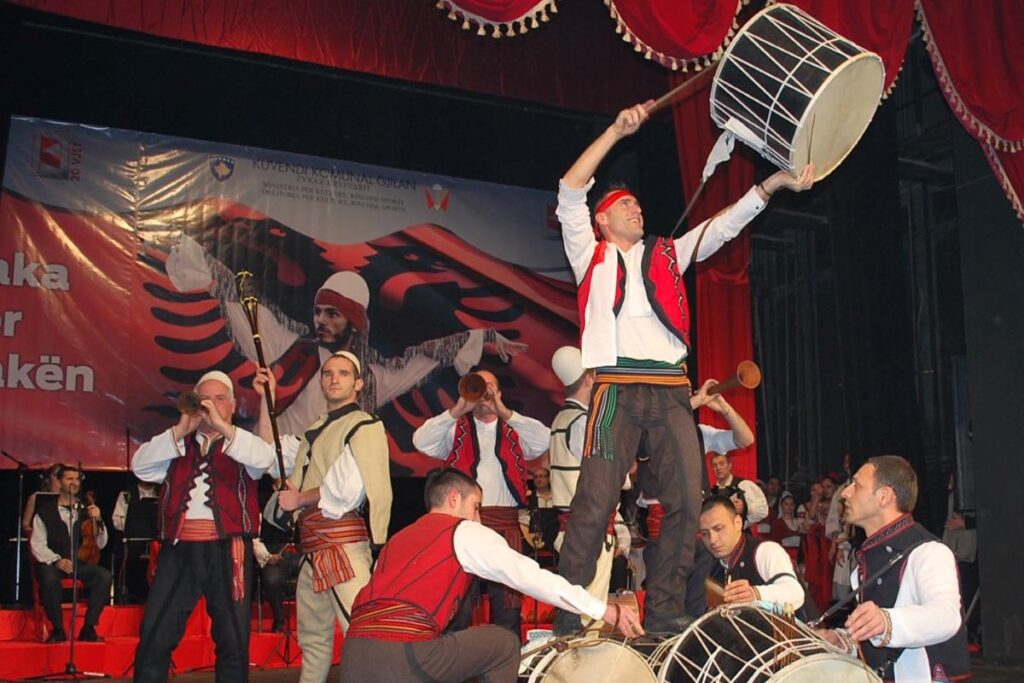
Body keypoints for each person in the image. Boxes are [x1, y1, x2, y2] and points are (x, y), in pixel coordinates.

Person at [552, 100, 813, 634]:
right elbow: (569, 189)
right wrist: (615, 129)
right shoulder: (590, 255)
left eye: (639, 206)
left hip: (671, 388)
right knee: (592, 503)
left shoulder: (668, 254)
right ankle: (569, 617)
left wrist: (772, 185)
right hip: (617, 390)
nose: (637, 211)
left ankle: (667, 609)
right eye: (626, 206)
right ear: (602, 220)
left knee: (684, 504)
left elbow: (722, 227)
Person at [165, 240, 525, 432]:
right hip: (290, 474)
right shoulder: (290, 348)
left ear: (353, 323)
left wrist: (486, 334)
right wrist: (206, 268)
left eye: (333, 314)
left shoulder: (370, 378)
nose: (320, 320)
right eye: (318, 311)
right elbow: (245, 306)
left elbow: (423, 358)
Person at [339, 468, 643, 683]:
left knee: (451, 641)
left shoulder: (398, 539)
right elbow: (531, 577)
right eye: (476, 507)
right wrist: (604, 610)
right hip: (403, 658)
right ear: (454, 499)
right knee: (503, 643)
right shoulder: (464, 531)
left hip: (353, 659)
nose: (479, 517)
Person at [254, 350, 392, 683]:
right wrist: (266, 400)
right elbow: (266, 451)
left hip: (341, 546)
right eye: (328, 373)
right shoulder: (316, 430)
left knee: (364, 636)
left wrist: (298, 497)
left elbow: (348, 487)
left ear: (358, 383)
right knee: (314, 642)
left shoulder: (364, 426)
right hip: (313, 549)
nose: (333, 378)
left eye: (343, 373)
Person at [130, 370, 276, 683]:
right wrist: (181, 428)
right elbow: (140, 467)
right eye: (204, 398)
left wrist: (223, 427)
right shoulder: (177, 444)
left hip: (229, 549)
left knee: (233, 639)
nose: (211, 403)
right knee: (155, 634)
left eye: (220, 398)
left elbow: (265, 460)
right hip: (179, 548)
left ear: (233, 405)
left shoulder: (244, 445)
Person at [413, 368, 549, 635]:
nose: (484, 393)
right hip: (464, 526)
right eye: (477, 386)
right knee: (460, 605)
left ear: (498, 393)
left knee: (507, 607)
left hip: (505, 523)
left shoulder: (515, 428)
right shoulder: (455, 430)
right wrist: (458, 409)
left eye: (490, 387)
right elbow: (420, 441)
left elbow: (544, 440)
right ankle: (460, 667)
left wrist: (503, 411)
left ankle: (505, 668)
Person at [817, 456, 969, 682]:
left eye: (856, 485)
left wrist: (886, 621)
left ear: (884, 496)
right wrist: (845, 640)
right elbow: (878, 631)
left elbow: (946, 616)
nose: (846, 493)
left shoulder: (929, 551)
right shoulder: (865, 558)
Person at [546, 345, 628, 626]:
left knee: (578, 610)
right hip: (589, 532)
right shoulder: (584, 423)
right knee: (588, 615)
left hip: (571, 529)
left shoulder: (560, 420)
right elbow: (605, 478)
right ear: (590, 380)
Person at [30, 465, 111, 643]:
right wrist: (57, 560)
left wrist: (98, 520)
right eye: (69, 479)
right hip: (54, 563)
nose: (74, 483)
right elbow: (37, 543)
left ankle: (89, 627)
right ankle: (58, 629)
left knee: (104, 576)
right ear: (59, 482)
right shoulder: (45, 512)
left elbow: (100, 544)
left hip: (79, 562)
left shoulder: (86, 510)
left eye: (77, 479)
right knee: (49, 577)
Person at [697, 496, 806, 615]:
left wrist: (755, 593)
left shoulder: (765, 550)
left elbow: (795, 592)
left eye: (719, 529)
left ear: (738, 523)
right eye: (705, 533)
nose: (712, 540)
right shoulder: (709, 565)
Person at [112, 476, 160, 603]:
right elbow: (117, 521)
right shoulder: (127, 494)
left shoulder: (162, 491)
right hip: (133, 541)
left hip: (157, 542)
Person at [708, 451, 769, 529]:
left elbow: (763, 511)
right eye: (714, 465)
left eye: (722, 463)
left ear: (729, 466)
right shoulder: (711, 492)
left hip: (740, 535)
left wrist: (745, 508)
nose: (718, 468)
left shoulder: (743, 485)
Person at [22, 463, 62, 538]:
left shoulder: (72, 499)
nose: (59, 478)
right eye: (56, 475)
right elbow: (25, 524)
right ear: (48, 479)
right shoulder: (36, 497)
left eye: (61, 475)